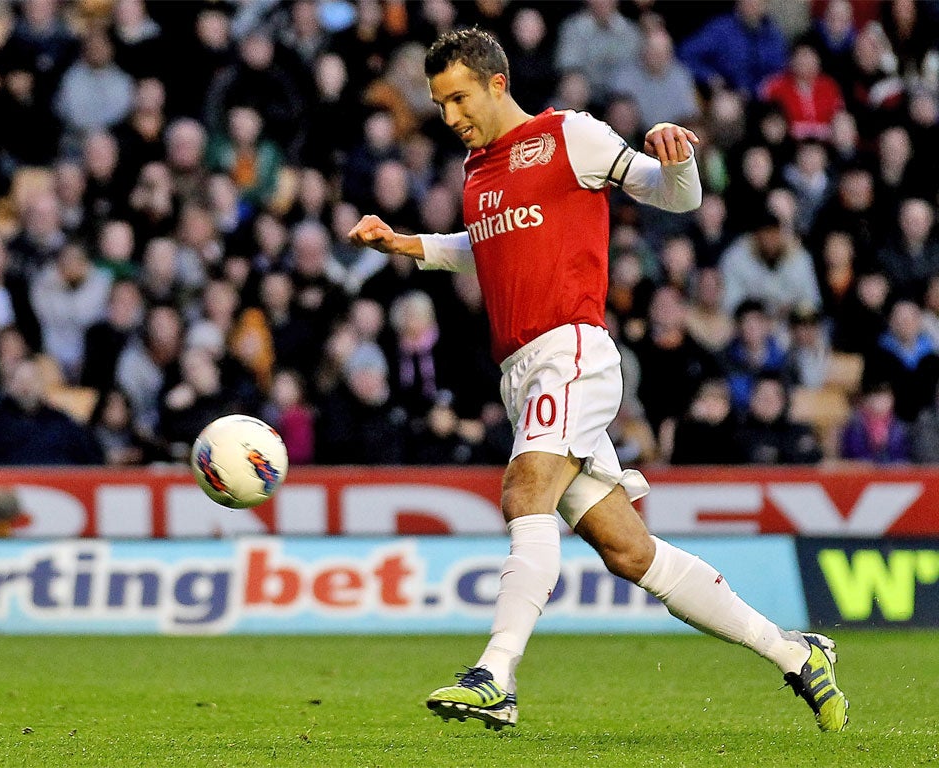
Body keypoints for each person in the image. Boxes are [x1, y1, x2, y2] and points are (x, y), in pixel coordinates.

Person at [348, 27, 848, 733]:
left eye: (457, 97)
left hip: (571, 350)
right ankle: (794, 652)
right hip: (521, 373)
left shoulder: (568, 137)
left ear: (497, 83)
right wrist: (408, 245)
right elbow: (487, 248)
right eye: (438, 104)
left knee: (524, 491)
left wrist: (678, 164)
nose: (449, 115)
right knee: (629, 551)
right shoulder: (477, 169)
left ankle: (496, 673)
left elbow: (669, 195)